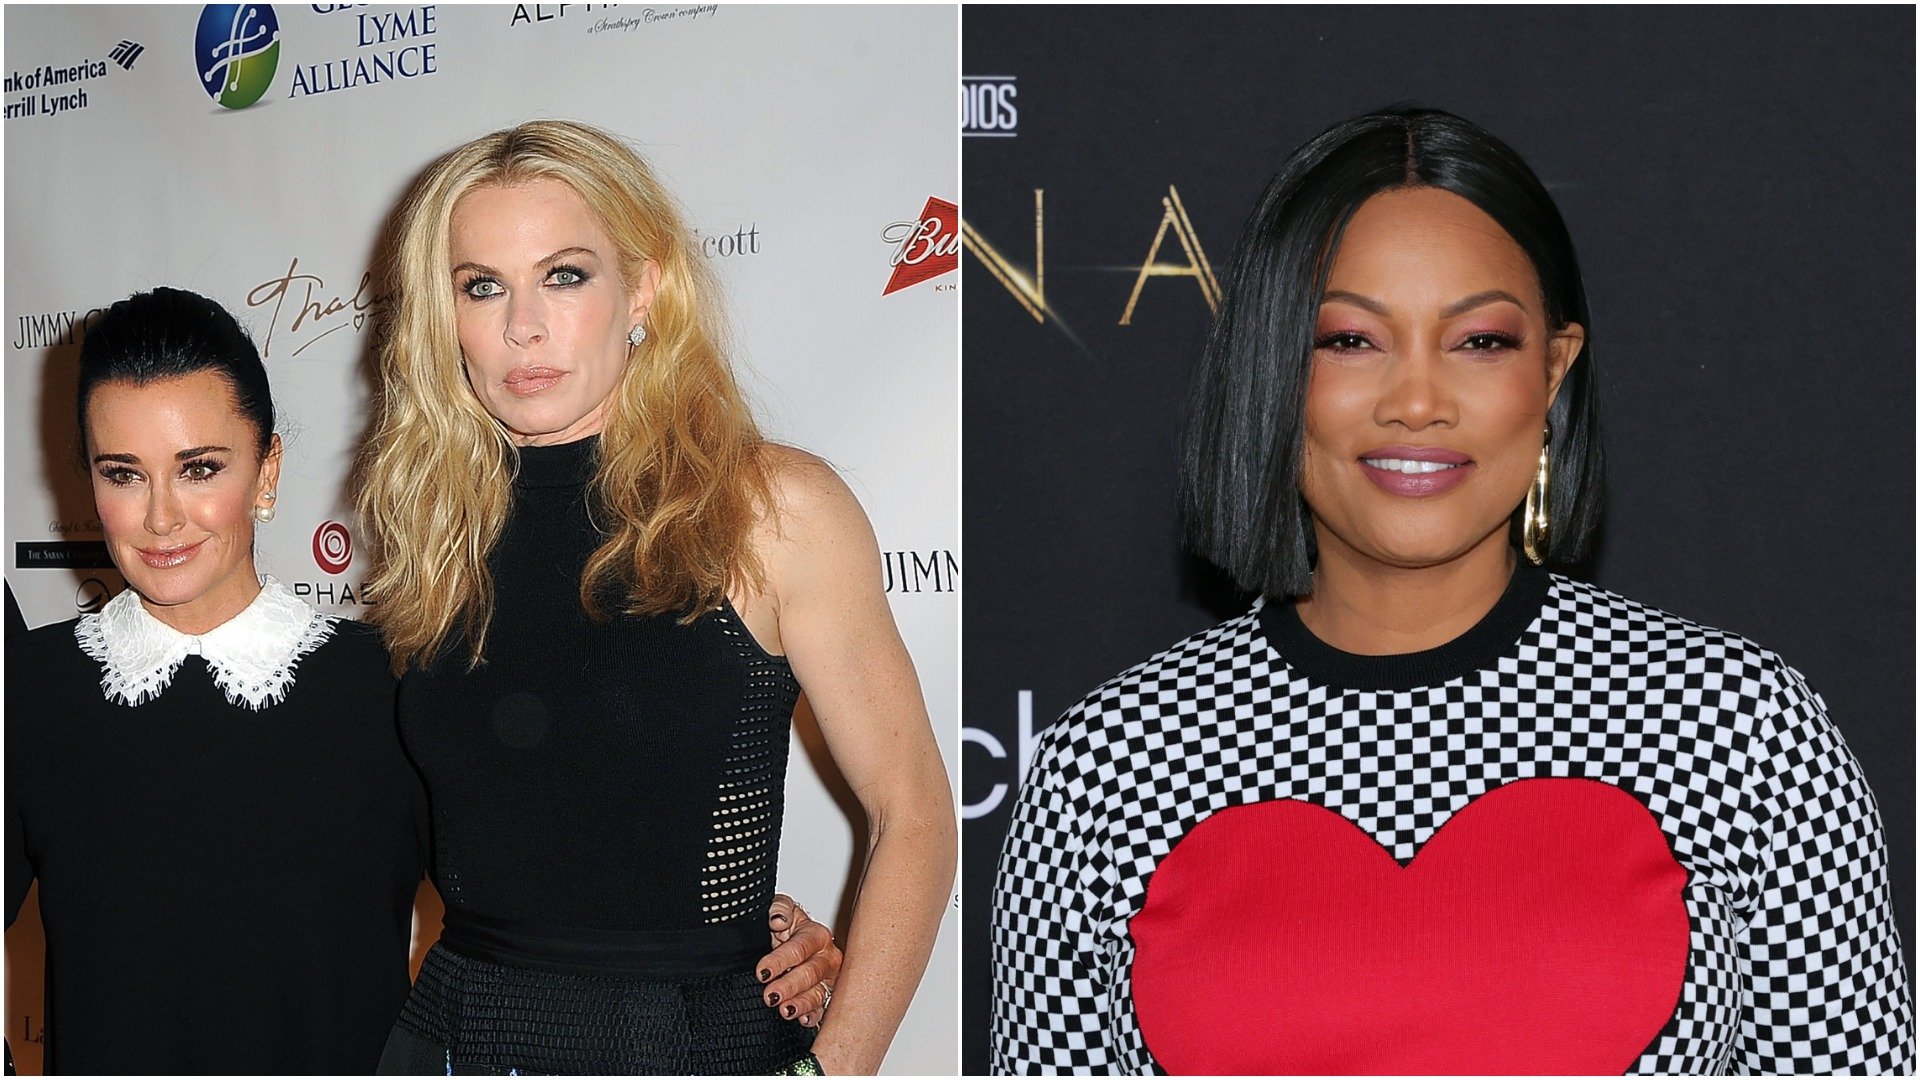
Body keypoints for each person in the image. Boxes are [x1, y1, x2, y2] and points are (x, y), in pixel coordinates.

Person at [989, 107, 1913, 1075]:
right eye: (1350, 339)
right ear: (1272, 366)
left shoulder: (1738, 728)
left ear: (1553, 370)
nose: (1418, 402)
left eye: (1479, 341)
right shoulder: (1108, 766)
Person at [4, 287, 842, 1073]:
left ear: (266, 471)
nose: (160, 517)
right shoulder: (26, 694)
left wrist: (759, 932)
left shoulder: (395, 679)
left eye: (199, 468)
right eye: (122, 473)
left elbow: (557, 881)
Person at [357, 120, 955, 1075]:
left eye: (564, 276)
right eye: (482, 286)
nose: (522, 326)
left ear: (643, 289)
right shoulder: (438, 528)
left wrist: (835, 1069)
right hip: (455, 1037)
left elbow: (912, 812)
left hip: (686, 1044)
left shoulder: (768, 508)